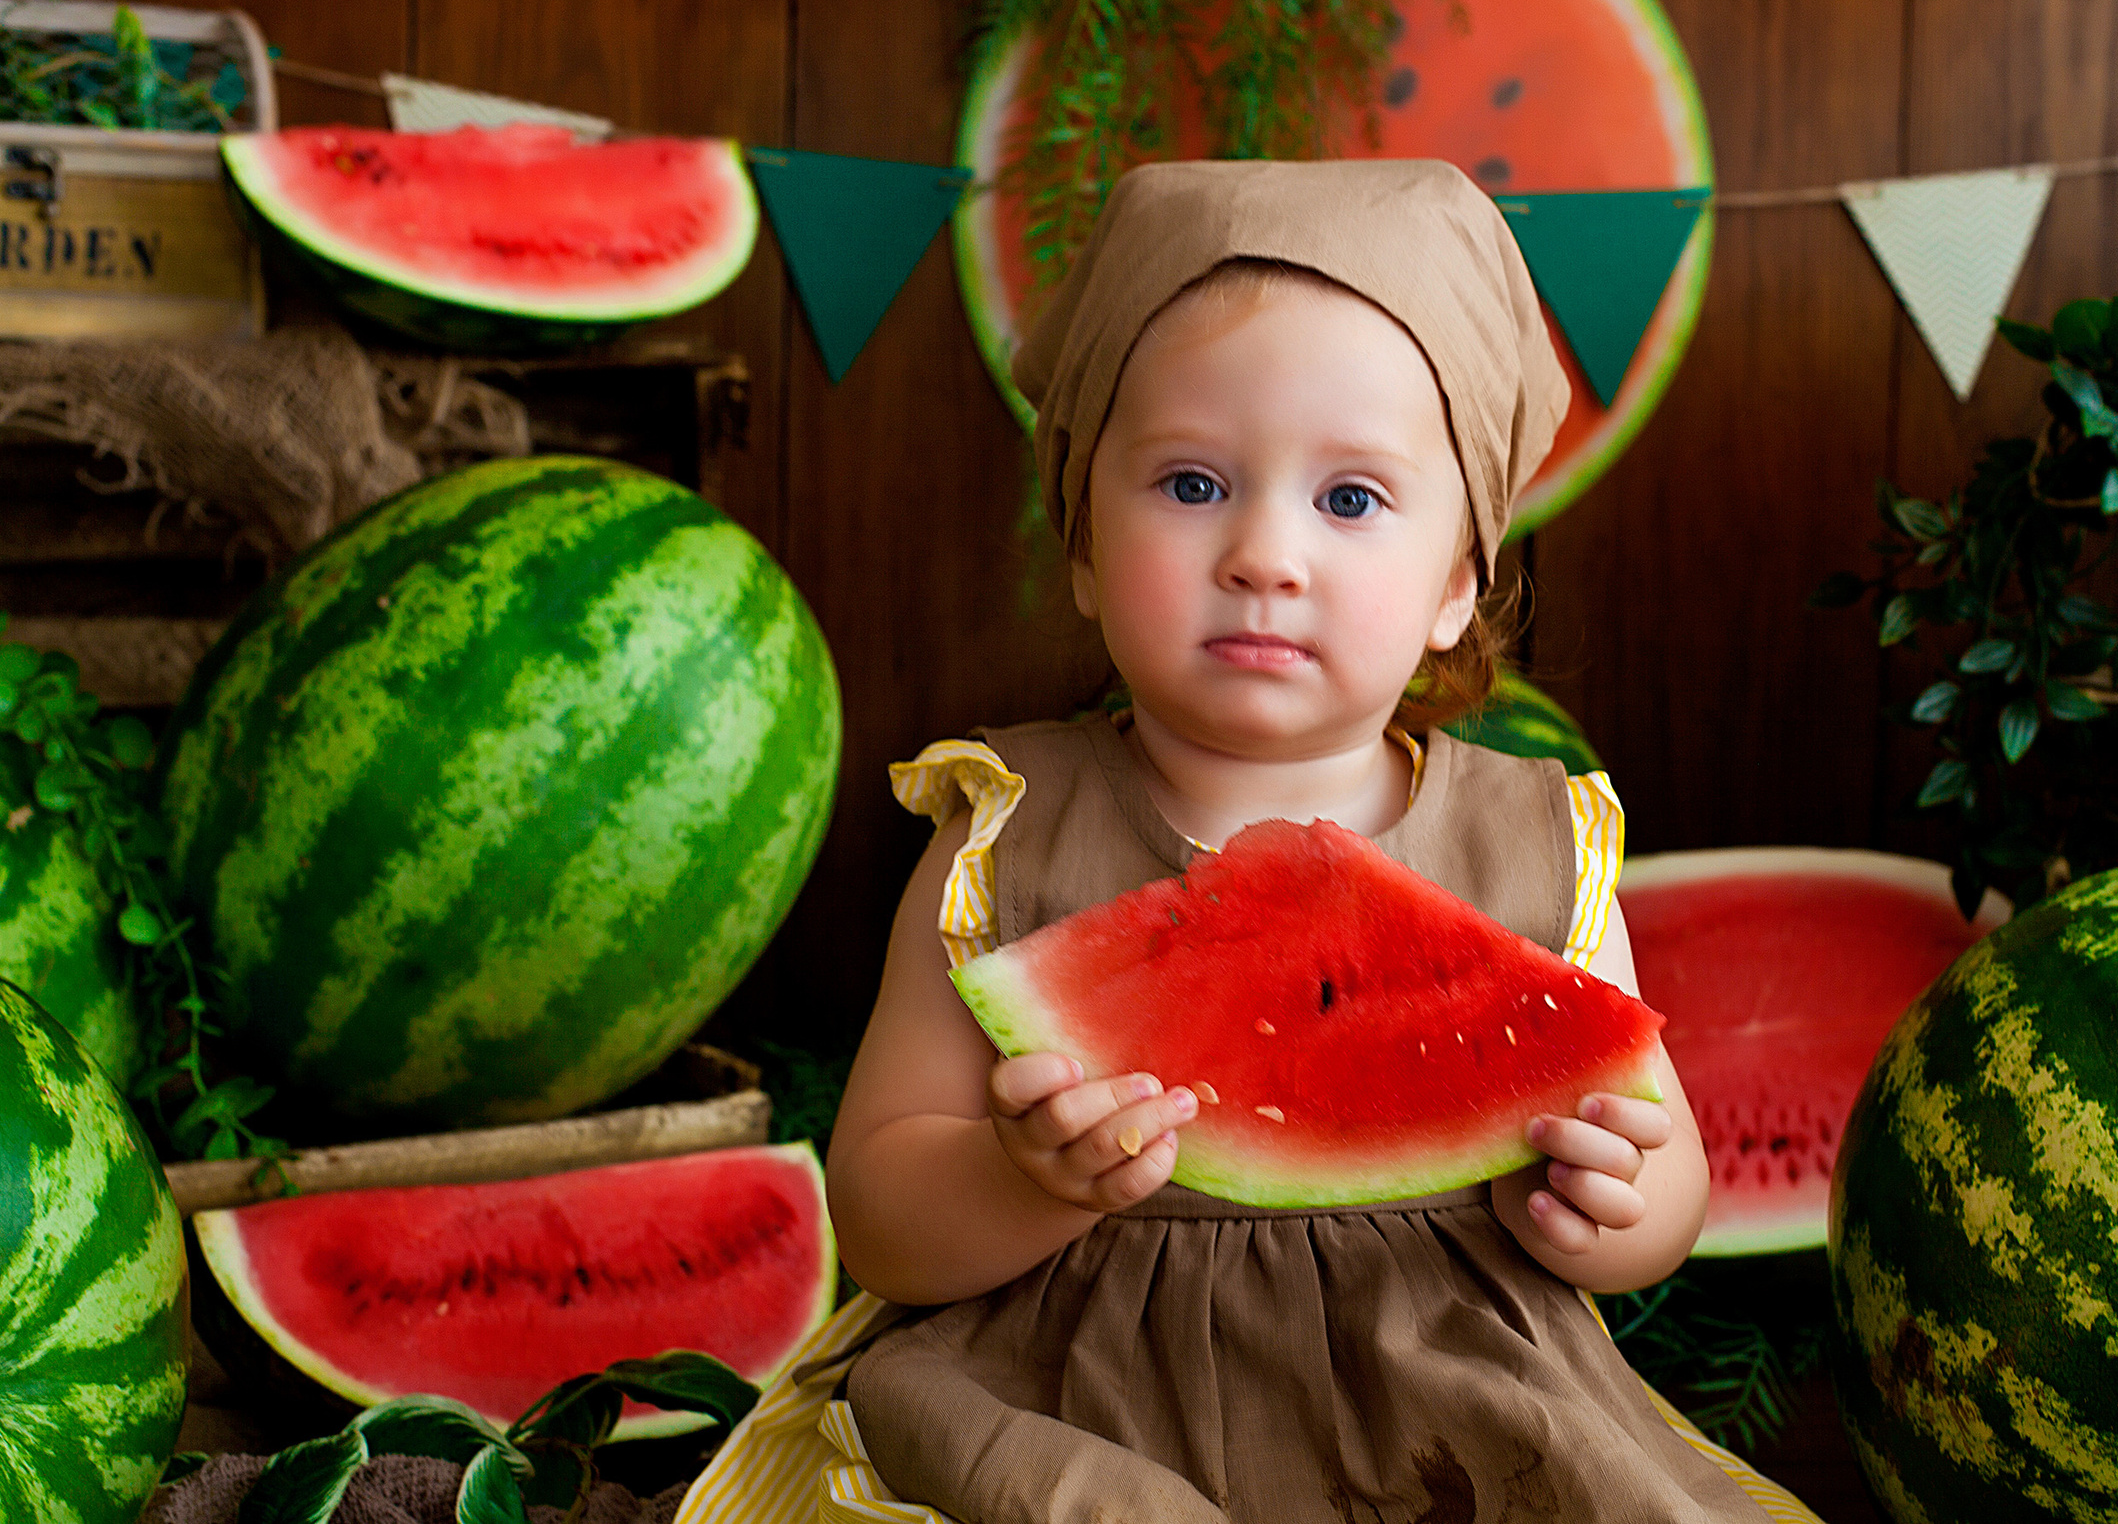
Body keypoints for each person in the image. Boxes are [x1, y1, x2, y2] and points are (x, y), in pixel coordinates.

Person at [673, 160, 1818, 1524]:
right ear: (1085, 543)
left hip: (1457, 1414)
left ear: (1458, 583)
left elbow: (1661, 1173)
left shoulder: (1539, 845)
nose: (1266, 552)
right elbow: (878, 1212)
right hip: (1066, 1407)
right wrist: (1014, 1178)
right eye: (1195, 481)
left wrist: (1622, 1208)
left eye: (1351, 501)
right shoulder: (1004, 839)